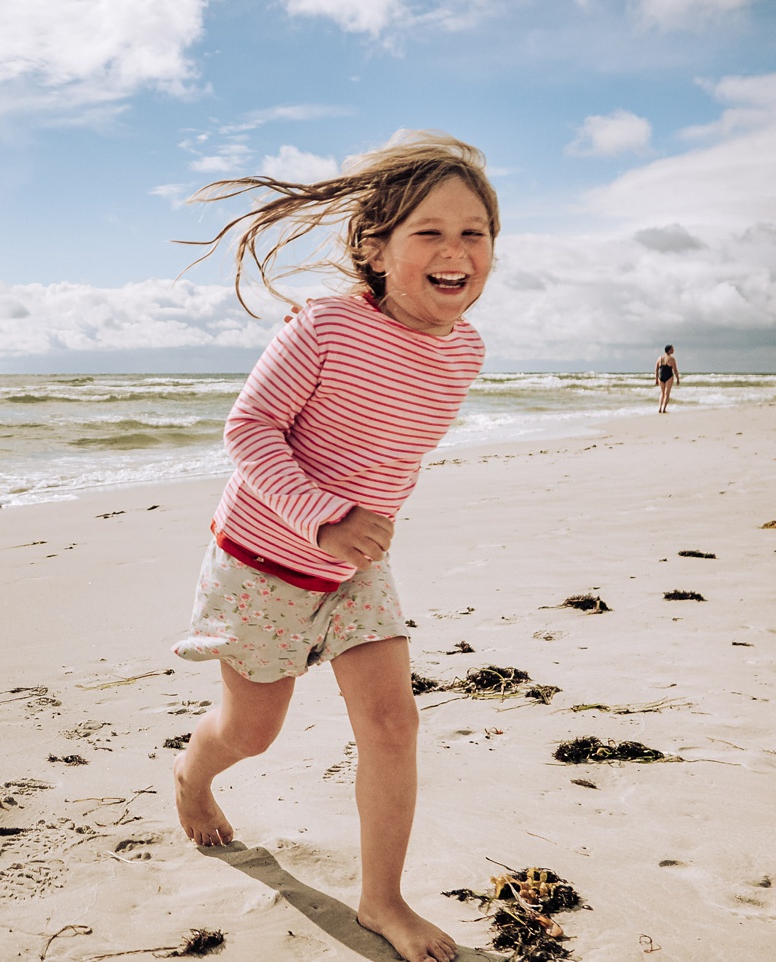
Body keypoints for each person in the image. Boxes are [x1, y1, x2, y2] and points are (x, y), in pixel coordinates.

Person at [170, 130, 496, 962]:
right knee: (253, 733)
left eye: (475, 232)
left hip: (356, 571)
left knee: (393, 724)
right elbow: (248, 430)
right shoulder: (320, 329)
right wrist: (321, 516)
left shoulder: (466, 350)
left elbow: (390, 450)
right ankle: (192, 778)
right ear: (375, 249)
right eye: (429, 232)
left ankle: (382, 900)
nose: (456, 251)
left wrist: (361, 530)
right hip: (264, 562)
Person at [656, 344, 680, 413]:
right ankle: (664, 409)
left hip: (661, 377)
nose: (673, 350)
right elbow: (675, 369)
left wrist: (656, 379)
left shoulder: (659, 358)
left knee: (662, 393)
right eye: (672, 349)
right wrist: (678, 378)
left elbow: (656, 369)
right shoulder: (672, 359)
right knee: (667, 393)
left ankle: (660, 408)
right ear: (669, 350)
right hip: (669, 376)